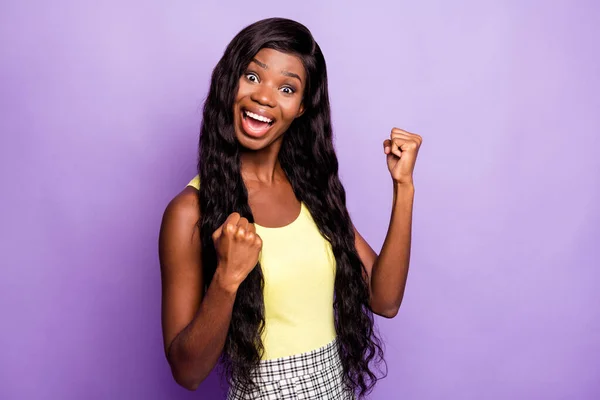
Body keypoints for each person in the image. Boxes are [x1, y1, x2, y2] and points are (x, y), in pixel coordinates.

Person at [159, 17, 422, 400]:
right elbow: (187, 373)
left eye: (286, 88)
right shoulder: (189, 212)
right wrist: (227, 279)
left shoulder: (312, 191)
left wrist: (403, 187)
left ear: (301, 107)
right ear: (228, 81)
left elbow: (385, 301)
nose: (264, 97)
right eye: (252, 77)